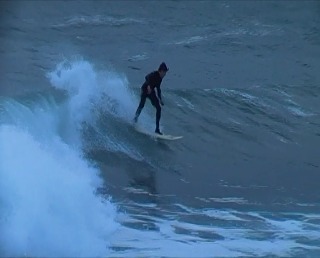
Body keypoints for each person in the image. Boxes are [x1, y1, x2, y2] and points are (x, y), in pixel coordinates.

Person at [133, 62, 169, 135]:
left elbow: (158, 89)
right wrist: (149, 86)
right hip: (145, 89)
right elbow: (146, 77)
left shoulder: (160, 79)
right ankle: (135, 119)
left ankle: (157, 129)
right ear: (161, 71)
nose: (165, 74)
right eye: (164, 72)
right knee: (141, 105)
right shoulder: (154, 74)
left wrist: (160, 99)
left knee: (159, 108)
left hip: (151, 92)